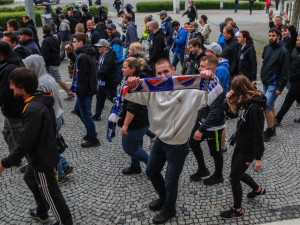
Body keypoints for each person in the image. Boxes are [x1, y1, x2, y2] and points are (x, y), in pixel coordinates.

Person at [125, 58, 222, 224]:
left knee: (171, 181)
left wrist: (209, 77)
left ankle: (169, 209)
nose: (163, 76)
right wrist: (131, 82)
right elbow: (128, 94)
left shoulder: (190, 89)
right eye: (159, 73)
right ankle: (164, 199)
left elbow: (212, 93)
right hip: (161, 140)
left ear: (173, 70)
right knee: (151, 171)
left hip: (178, 145)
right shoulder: (152, 89)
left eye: (166, 72)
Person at [0, 67, 73, 225]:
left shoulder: (32, 109)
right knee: (29, 177)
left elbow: (24, 144)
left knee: (52, 194)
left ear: (22, 86)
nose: (10, 87)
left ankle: (64, 221)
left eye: (12, 84)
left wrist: (4, 163)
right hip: (45, 153)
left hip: (42, 160)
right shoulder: (41, 98)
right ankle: (41, 211)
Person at [22, 55, 74, 186]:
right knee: (52, 148)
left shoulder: (39, 84)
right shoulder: (48, 77)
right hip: (57, 117)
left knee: (48, 151)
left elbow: (42, 106)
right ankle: (66, 166)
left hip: (51, 120)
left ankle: (61, 177)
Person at [220, 75, 267, 219]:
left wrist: (258, 158)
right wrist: (228, 101)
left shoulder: (254, 108)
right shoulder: (245, 101)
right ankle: (258, 190)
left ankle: (237, 210)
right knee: (237, 173)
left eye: (235, 90)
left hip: (249, 150)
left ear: (240, 90)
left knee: (234, 178)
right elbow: (233, 115)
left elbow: (257, 134)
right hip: (240, 145)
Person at [189, 55, 225, 185]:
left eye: (202, 66)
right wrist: (197, 118)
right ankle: (202, 169)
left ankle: (218, 175)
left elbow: (215, 113)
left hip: (213, 126)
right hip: (202, 121)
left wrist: (201, 129)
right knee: (192, 143)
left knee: (215, 152)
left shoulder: (217, 86)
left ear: (211, 68)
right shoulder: (204, 80)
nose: (199, 69)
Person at [65, 33, 100, 148]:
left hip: (85, 91)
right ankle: (91, 132)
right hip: (85, 89)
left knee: (86, 114)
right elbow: (77, 62)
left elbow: (84, 77)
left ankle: (93, 138)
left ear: (81, 43)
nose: (72, 44)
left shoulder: (84, 56)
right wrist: (70, 53)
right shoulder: (83, 53)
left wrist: (80, 92)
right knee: (78, 111)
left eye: (74, 42)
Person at [118, 57, 150, 174]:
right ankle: (135, 166)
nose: (122, 69)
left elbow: (133, 106)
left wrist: (125, 125)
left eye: (125, 68)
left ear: (132, 69)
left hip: (136, 122)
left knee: (130, 148)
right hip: (141, 119)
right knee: (136, 145)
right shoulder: (131, 79)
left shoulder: (136, 82)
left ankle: (152, 165)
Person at [260, 28, 289, 142]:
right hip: (266, 82)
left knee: (266, 106)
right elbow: (264, 62)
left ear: (278, 37)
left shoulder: (283, 51)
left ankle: (270, 129)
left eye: (273, 36)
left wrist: (280, 87)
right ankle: (272, 128)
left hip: (274, 84)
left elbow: (285, 71)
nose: (271, 37)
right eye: (269, 35)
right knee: (270, 105)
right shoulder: (267, 48)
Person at [0, 41, 24, 165]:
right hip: (10, 108)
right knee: (7, 132)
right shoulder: (10, 60)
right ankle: (14, 157)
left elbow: (4, 92)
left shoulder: (9, 67)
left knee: (17, 137)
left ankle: (28, 164)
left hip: (15, 108)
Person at [204, 42, 229, 153]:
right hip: (214, 100)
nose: (205, 52)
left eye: (208, 51)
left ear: (214, 54)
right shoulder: (219, 66)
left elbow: (219, 87)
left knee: (220, 124)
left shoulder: (221, 70)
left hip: (219, 101)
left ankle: (222, 146)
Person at [41, 25, 75, 100]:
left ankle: (69, 93)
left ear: (43, 32)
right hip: (56, 59)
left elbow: (45, 54)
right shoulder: (55, 39)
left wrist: (44, 63)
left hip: (50, 62)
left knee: (58, 78)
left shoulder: (45, 41)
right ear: (50, 31)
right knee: (54, 78)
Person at [274, 35, 300, 126]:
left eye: (299, 40)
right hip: (293, 79)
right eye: (297, 40)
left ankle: (278, 118)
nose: (298, 42)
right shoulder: (294, 50)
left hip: (297, 82)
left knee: (288, 100)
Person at [93, 39, 118, 121]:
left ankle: (123, 111)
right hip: (102, 82)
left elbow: (105, 70)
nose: (98, 48)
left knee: (114, 99)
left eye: (100, 47)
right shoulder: (103, 55)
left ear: (105, 47)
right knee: (100, 98)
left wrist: (96, 73)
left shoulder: (109, 56)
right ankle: (97, 115)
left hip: (109, 82)